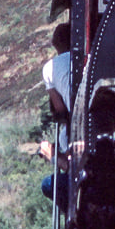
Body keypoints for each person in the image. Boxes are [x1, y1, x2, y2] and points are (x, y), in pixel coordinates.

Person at [40, 23, 72, 204]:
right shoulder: (92, 58)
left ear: (56, 45)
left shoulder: (50, 68)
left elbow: (59, 108)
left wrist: (52, 156)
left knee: (48, 184)